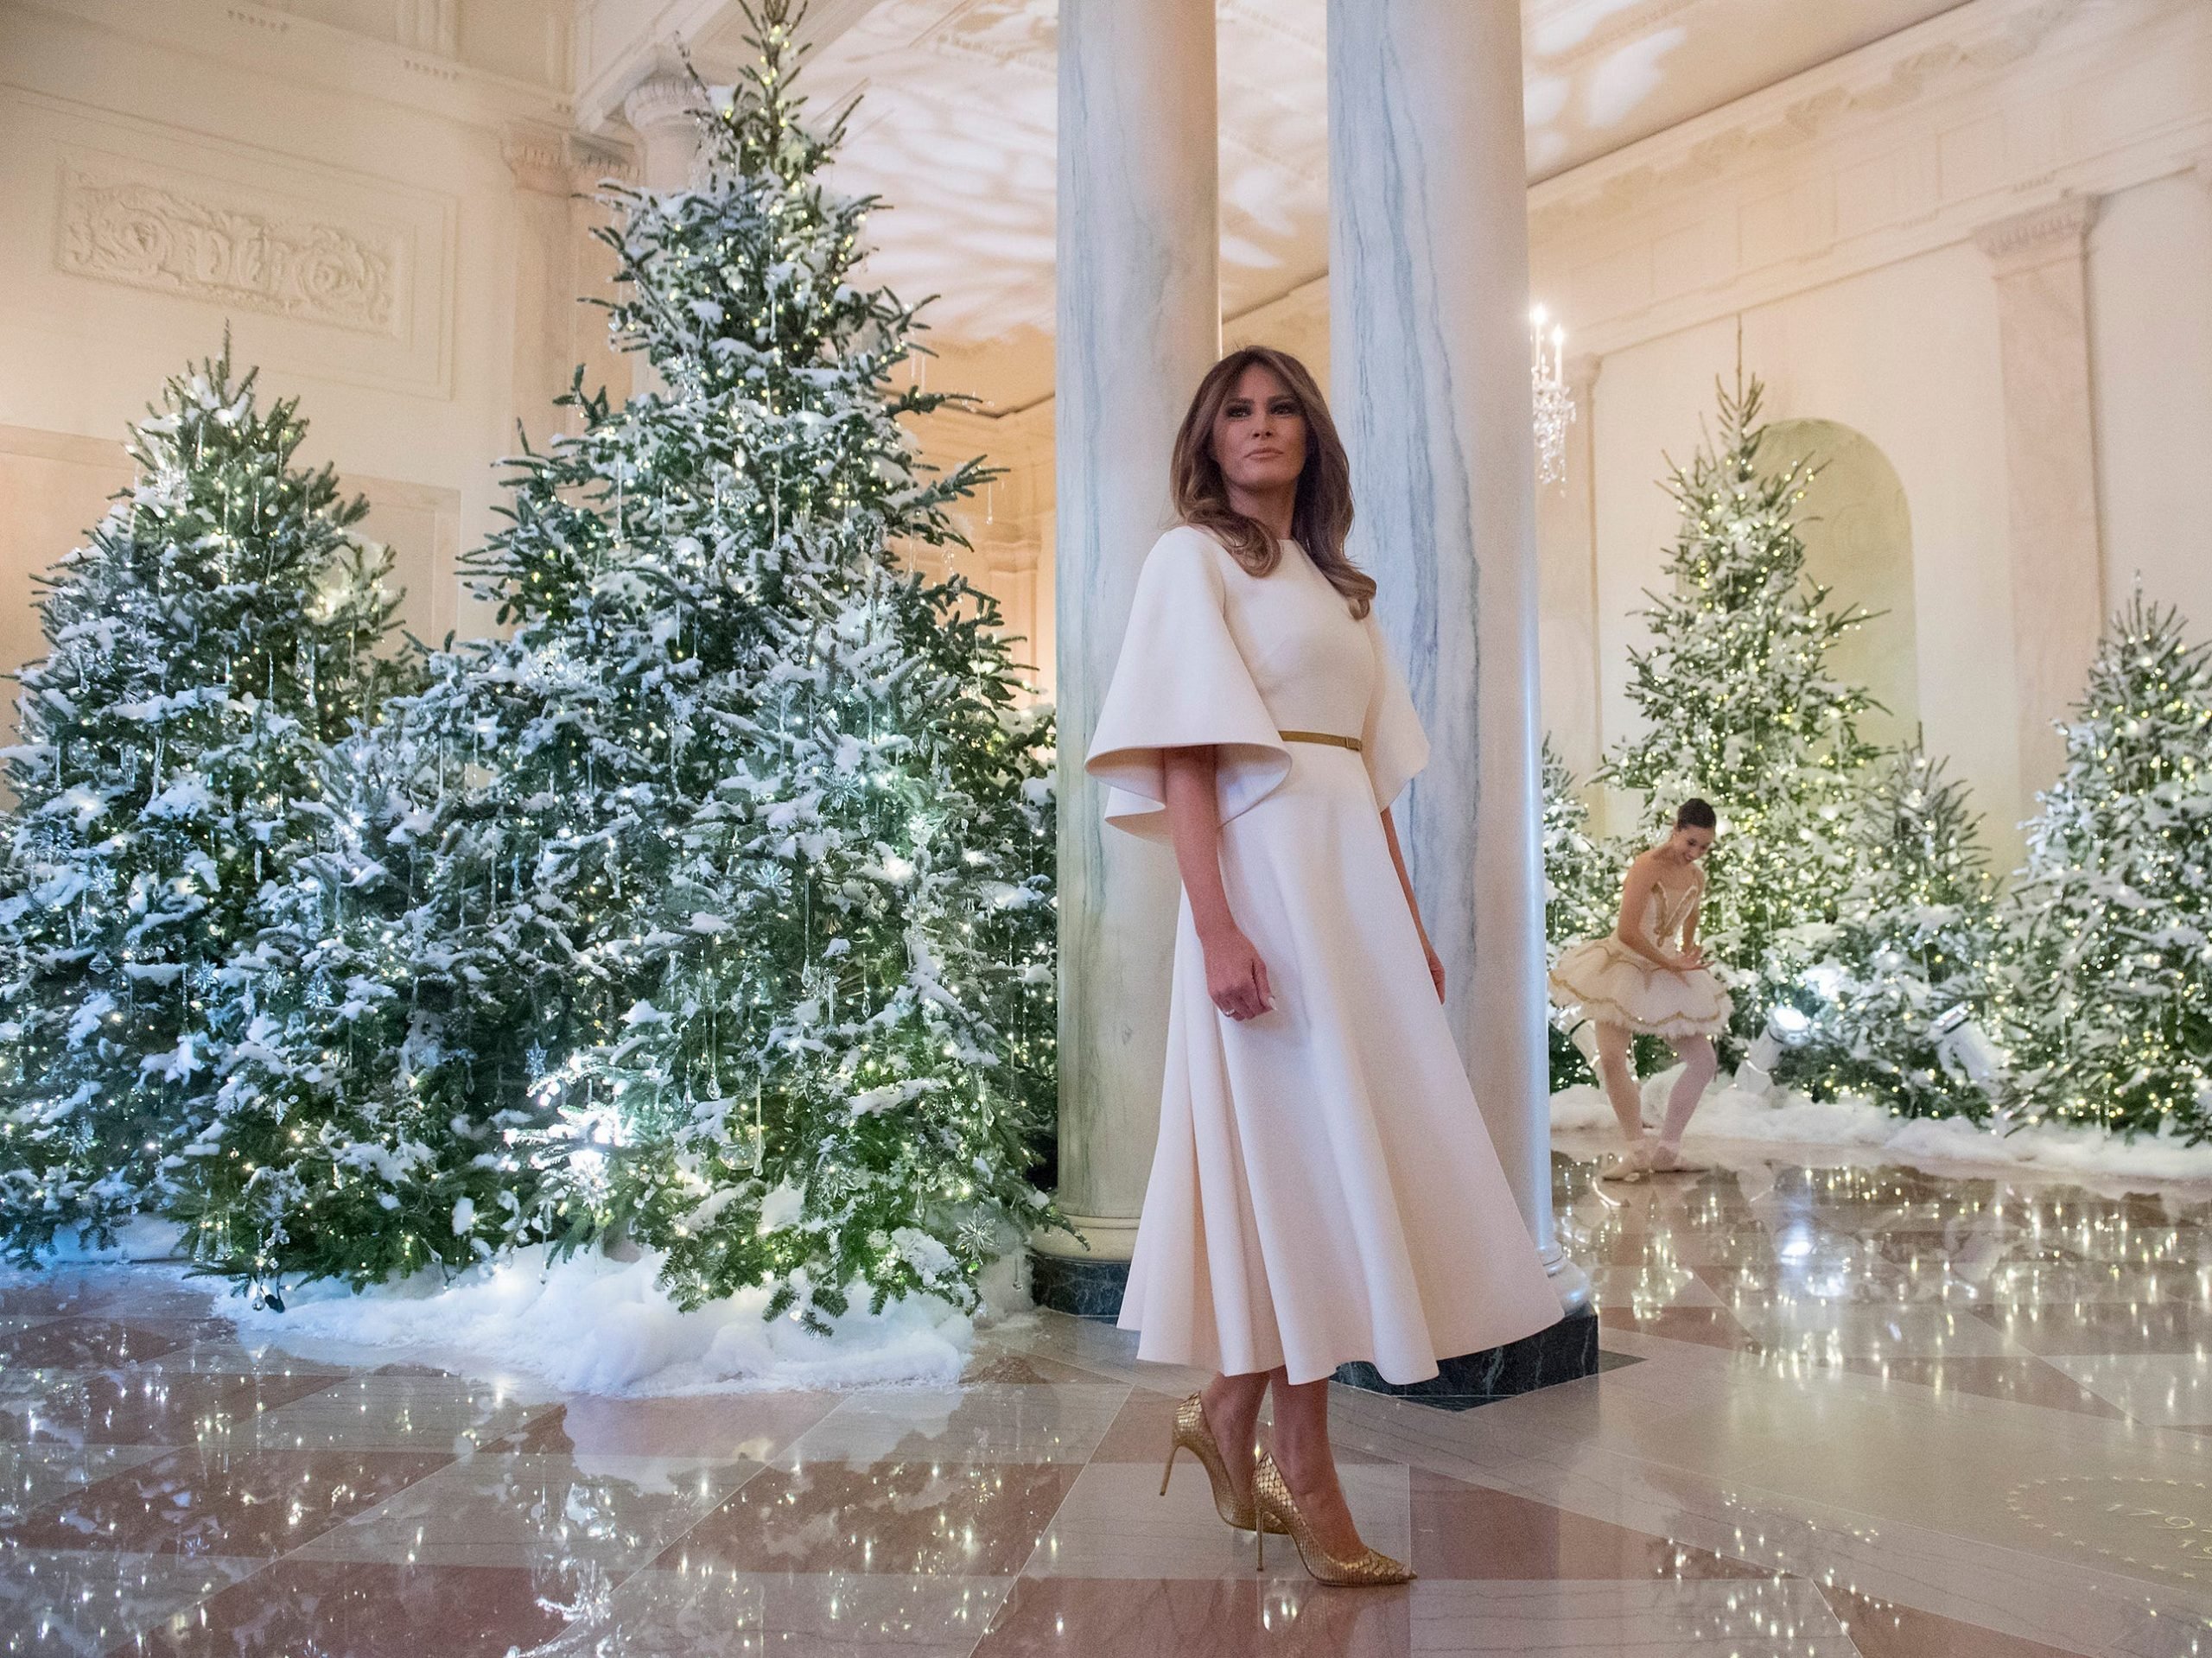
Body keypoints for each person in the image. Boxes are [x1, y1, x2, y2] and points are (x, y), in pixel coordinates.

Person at [1084, 346, 1561, 1587]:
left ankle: (1228, 1408)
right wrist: (1219, 924)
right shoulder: (1191, 558)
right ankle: (1303, 1458)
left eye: (1281, 407)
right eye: (1237, 410)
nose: (1260, 425)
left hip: (1347, 896)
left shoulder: (1341, 586)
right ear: (1208, 436)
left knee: (1339, 1164)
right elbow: (1187, 755)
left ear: (1312, 434)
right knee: (1296, 1168)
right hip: (1262, 887)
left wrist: (1404, 924)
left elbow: (1369, 778)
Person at [1548, 800, 1732, 1180]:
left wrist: (1689, 951)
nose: (1695, 853)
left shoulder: (1696, 878)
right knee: (1613, 1058)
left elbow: (1690, 919)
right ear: (1676, 828)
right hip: (1623, 966)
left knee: (1704, 1062)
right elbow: (1629, 932)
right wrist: (1670, 963)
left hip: (1666, 968)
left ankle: (1668, 1149)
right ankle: (1635, 1150)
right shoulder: (1646, 867)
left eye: (1704, 847)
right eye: (1691, 842)